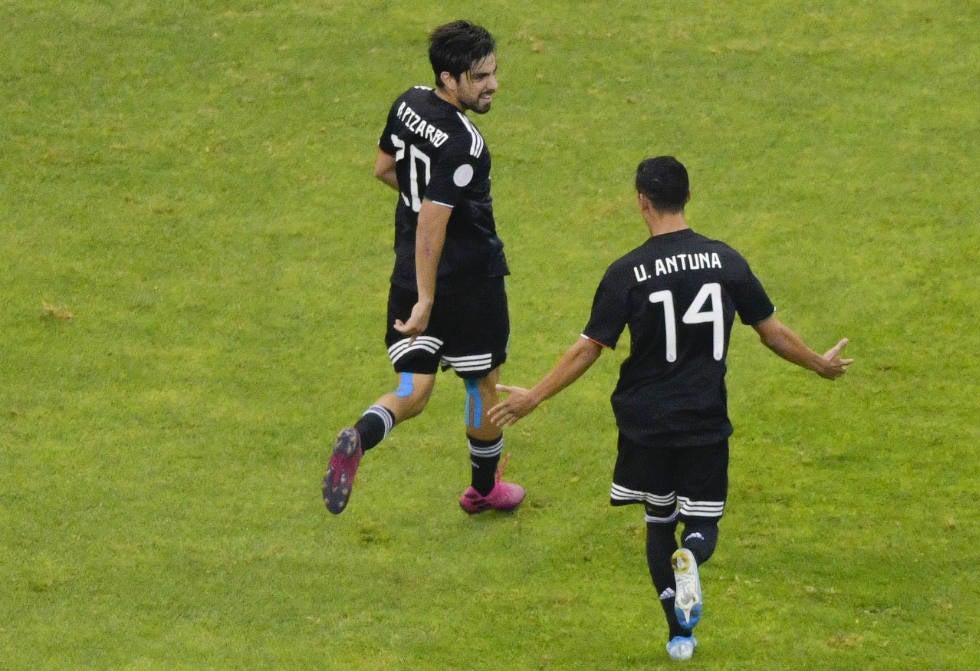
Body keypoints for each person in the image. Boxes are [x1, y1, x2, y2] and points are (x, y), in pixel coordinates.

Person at [488, 156, 852, 661]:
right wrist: (818, 363)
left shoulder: (626, 273)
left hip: (645, 423)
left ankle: (679, 634)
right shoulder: (726, 261)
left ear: (642, 201)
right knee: (702, 523)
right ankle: (694, 554)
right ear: (688, 197)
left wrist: (534, 397)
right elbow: (771, 332)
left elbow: (588, 348)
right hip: (704, 419)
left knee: (658, 522)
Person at [323, 20, 525, 517]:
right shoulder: (465, 144)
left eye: (493, 73)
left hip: (407, 274)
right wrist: (429, 298)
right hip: (466, 284)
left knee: (413, 389)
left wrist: (422, 205)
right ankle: (483, 489)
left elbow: (384, 169)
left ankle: (361, 435)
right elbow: (435, 224)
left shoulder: (408, 103)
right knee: (482, 382)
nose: (492, 85)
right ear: (449, 77)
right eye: (479, 77)